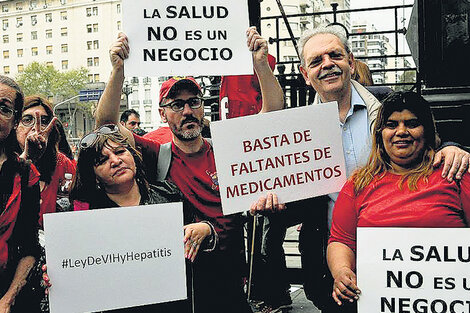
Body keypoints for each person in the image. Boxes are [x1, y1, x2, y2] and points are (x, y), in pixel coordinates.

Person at [252, 24, 470, 312]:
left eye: (335, 55)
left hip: (421, 267)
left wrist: (453, 147)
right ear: (305, 75)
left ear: (351, 63)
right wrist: (274, 205)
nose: (327, 64)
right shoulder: (297, 130)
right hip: (334, 259)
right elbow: (298, 194)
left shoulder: (387, 103)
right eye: (316, 61)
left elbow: (424, 138)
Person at [94, 27, 284, 313]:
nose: (187, 111)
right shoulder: (154, 154)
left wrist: (260, 65)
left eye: (194, 102)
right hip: (181, 286)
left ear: (202, 106)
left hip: (230, 282)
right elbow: (106, 124)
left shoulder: (228, 148)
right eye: (177, 104)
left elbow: (272, 113)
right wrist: (118, 70)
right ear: (162, 114)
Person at [327, 91, 470, 311]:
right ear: (380, 133)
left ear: (427, 131)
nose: (401, 132)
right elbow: (341, 240)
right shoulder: (358, 184)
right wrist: (342, 271)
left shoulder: (454, 174)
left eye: (412, 123)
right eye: (392, 124)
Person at [61, 125, 216, 312]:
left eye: (120, 152)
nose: (116, 161)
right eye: (102, 160)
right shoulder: (85, 217)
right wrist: (59, 276)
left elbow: (197, 258)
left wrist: (206, 230)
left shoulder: (169, 195)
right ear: (94, 176)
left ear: (133, 156)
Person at [0, 75, 41, 312]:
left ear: (15, 121)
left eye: (4, 109)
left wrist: (8, 298)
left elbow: (29, 247)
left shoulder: (26, 175)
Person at [16, 95, 76, 226]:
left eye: (44, 121)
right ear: (15, 125)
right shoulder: (5, 161)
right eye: (27, 120)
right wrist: (26, 158)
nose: (36, 127)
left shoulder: (62, 163)